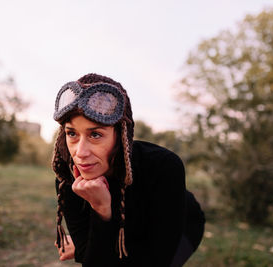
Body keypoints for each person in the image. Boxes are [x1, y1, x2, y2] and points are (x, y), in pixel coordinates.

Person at [52, 73, 205, 267]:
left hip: (181, 226)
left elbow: (156, 258)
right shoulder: (68, 179)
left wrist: (87, 248)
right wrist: (101, 211)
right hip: (123, 232)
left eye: (96, 134)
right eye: (71, 133)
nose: (80, 153)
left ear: (121, 135)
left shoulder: (163, 166)